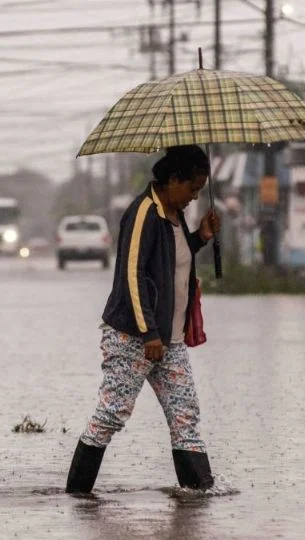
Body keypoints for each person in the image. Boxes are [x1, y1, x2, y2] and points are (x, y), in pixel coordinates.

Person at [66, 144, 221, 494]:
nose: (194, 198)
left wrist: (201, 238)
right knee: (111, 414)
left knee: (186, 417)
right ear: (172, 179)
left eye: (199, 190)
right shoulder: (144, 213)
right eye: (191, 189)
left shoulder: (176, 215)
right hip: (132, 337)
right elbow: (132, 275)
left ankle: (199, 497)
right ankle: (77, 496)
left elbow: (171, 263)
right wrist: (149, 333)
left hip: (170, 341)